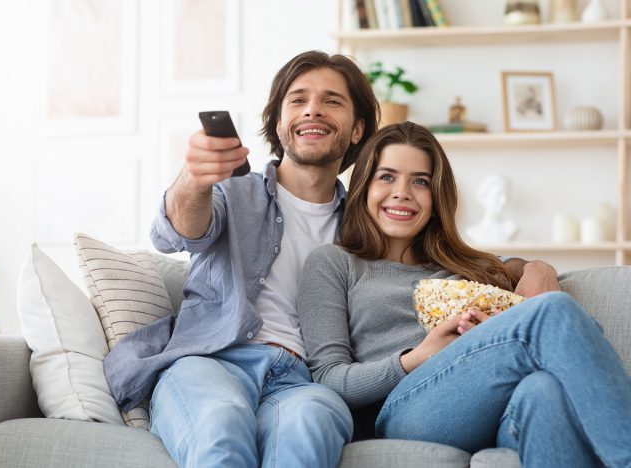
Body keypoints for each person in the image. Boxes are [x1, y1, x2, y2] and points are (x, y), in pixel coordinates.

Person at [102, 50, 379, 468]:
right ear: (279, 121)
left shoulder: (367, 226)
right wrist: (193, 180)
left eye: (332, 101)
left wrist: (515, 266)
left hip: (303, 383)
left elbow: (439, 255)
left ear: (357, 129)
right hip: (212, 363)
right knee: (220, 423)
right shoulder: (232, 192)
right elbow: (175, 232)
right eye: (298, 99)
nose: (313, 110)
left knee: (311, 424)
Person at [298, 121, 631, 467]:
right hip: (400, 412)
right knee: (551, 311)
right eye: (387, 176)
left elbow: (513, 267)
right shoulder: (334, 263)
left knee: (543, 391)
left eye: (420, 181)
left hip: (487, 405)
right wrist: (419, 355)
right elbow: (329, 379)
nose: (402, 192)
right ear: (364, 185)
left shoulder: (461, 268)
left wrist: (539, 269)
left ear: (436, 195)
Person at [465, 173, 518, 244]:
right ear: (484, 197)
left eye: (507, 196)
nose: (504, 200)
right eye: (498, 195)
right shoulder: (472, 231)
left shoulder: (511, 228)